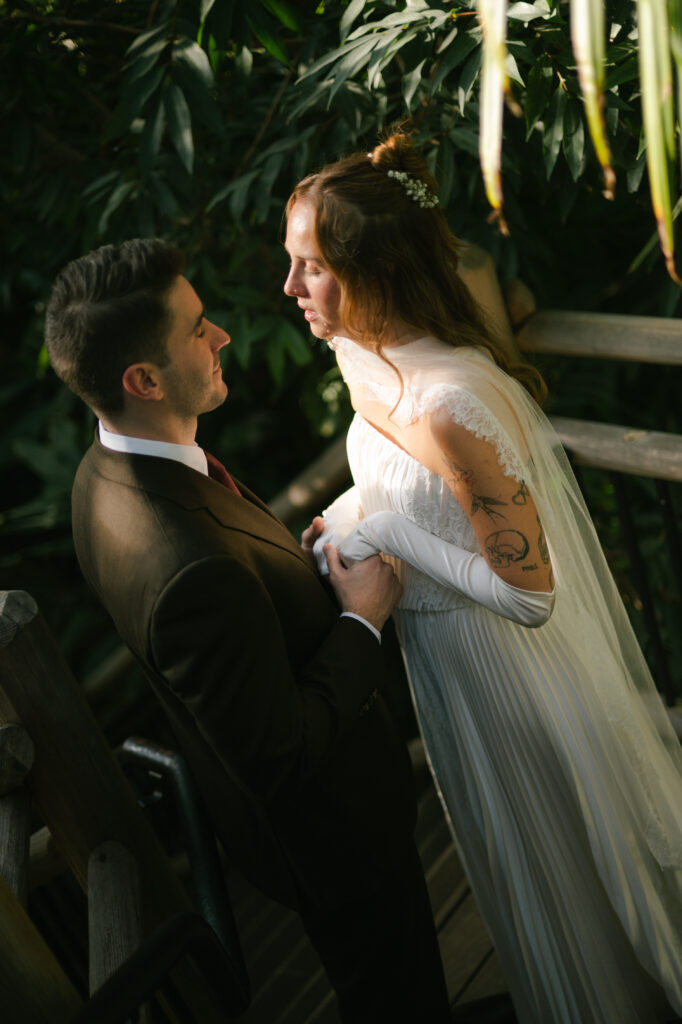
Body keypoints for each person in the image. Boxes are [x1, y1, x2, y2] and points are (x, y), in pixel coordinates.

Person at [283, 134, 682, 1024]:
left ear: (378, 270)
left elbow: (530, 595)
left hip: (515, 672)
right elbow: (401, 480)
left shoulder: (453, 402)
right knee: (529, 871)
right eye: (293, 261)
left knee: (583, 871)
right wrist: (349, 513)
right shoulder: (362, 354)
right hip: (450, 671)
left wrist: (384, 531)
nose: (291, 287)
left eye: (313, 267)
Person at [44, 238, 455, 1024]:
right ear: (143, 381)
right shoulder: (183, 567)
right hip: (337, 841)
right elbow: (281, 755)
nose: (223, 336)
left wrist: (294, 577)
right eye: (198, 329)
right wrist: (361, 619)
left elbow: (230, 625)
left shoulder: (103, 476)